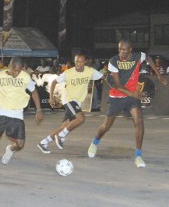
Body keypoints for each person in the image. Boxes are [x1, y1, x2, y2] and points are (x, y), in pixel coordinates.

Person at [87, 40, 167, 168]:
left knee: (139, 120)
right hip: (117, 96)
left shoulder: (138, 56)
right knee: (106, 126)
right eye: (119, 49)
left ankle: (138, 155)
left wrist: (159, 75)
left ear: (130, 50)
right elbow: (118, 85)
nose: (121, 52)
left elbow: (148, 58)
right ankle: (95, 142)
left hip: (131, 97)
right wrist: (132, 94)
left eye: (124, 50)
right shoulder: (113, 61)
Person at [0, 57, 44, 176]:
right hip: (1, 112)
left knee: (20, 145)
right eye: (15, 70)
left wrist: (39, 109)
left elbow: (34, 91)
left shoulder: (25, 77)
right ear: (9, 66)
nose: (17, 73)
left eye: (19, 70)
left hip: (17, 114)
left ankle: (10, 149)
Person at [37, 53, 103, 153]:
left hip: (77, 101)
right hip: (69, 99)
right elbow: (54, 82)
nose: (78, 63)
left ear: (85, 62)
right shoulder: (68, 73)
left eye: (81, 61)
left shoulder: (90, 71)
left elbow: (102, 76)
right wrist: (51, 98)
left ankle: (43, 143)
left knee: (65, 126)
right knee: (80, 118)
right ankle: (61, 136)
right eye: (76, 61)